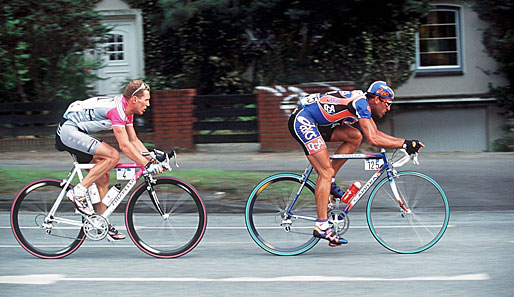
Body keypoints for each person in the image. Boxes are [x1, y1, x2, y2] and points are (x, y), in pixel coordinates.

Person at [288, 81, 424, 246]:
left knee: (355, 137)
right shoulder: (361, 103)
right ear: (376, 99)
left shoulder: (364, 104)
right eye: (387, 104)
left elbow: (375, 134)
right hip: (304, 120)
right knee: (325, 172)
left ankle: (329, 183)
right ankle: (321, 226)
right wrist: (405, 143)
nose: (388, 108)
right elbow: (374, 139)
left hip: (318, 122)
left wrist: (405, 143)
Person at [55, 80, 163, 240]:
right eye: (146, 100)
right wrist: (146, 164)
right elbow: (125, 146)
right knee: (113, 156)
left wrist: (151, 160)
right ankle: (78, 192)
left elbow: (134, 141)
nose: (148, 104)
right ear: (134, 99)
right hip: (69, 130)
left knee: (103, 175)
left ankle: (100, 223)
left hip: (77, 131)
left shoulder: (128, 111)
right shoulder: (118, 110)